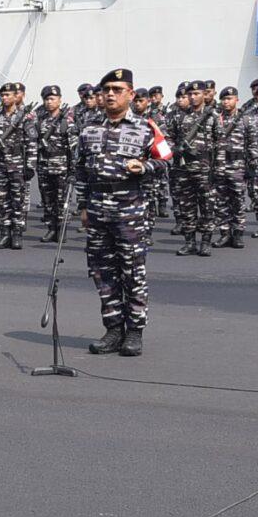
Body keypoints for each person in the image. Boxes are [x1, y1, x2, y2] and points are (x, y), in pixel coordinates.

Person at [74, 75, 159, 356]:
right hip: (98, 210)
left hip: (129, 211)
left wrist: (145, 167)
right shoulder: (89, 130)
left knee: (132, 272)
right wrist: (83, 207)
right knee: (102, 272)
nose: (110, 94)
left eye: (117, 90)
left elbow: (168, 161)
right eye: (106, 90)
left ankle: (134, 332)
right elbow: (81, 171)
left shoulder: (146, 127)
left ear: (130, 94)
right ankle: (113, 330)